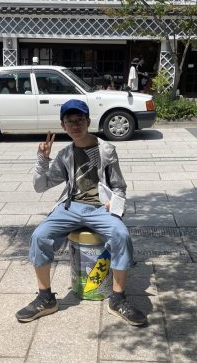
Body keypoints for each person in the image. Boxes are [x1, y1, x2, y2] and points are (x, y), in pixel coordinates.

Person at [15, 99, 147, 326]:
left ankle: (118, 299)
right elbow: (41, 186)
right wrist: (42, 160)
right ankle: (45, 298)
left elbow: (119, 186)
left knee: (121, 235)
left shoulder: (106, 150)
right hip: (71, 206)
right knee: (39, 236)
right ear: (63, 125)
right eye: (70, 121)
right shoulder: (65, 154)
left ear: (88, 121)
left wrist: (115, 205)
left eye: (80, 120)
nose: (75, 126)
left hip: (100, 208)